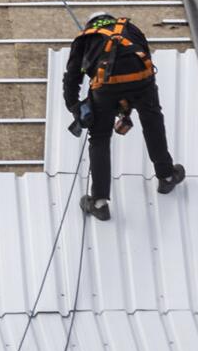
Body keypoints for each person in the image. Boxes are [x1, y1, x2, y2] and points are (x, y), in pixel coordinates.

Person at [61, 11, 186, 221]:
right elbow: (144, 55)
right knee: (152, 121)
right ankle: (166, 176)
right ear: (110, 19)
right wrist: (128, 105)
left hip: (106, 89)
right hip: (142, 83)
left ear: (90, 24)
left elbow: (72, 76)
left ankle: (99, 203)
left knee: (99, 138)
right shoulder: (130, 28)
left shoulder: (84, 38)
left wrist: (75, 106)